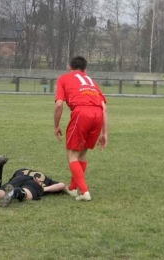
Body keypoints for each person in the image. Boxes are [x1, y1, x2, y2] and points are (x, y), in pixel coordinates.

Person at [54, 56, 108, 201]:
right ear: (85, 70)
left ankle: (84, 192)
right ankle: (72, 188)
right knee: (82, 153)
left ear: (69, 67)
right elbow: (104, 107)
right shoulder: (92, 81)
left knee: (72, 154)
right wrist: (105, 133)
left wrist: (56, 126)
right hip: (98, 114)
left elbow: (59, 104)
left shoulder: (63, 78)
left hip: (81, 113)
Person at [0, 155, 66, 207]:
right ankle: (15, 192)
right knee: (27, 194)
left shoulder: (20, 170)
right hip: (34, 183)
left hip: (19, 177)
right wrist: (43, 188)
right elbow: (62, 185)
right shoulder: (46, 179)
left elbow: (12, 180)